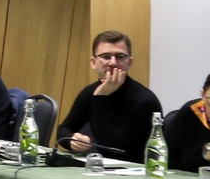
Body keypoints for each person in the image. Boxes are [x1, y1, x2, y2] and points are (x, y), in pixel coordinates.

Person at [55, 31, 163, 161]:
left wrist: (101, 97)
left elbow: (111, 148)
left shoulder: (143, 100)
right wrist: (72, 140)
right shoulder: (90, 92)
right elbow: (63, 130)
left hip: (133, 168)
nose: (113, 63)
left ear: (129, 63)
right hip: (102, 166)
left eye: (120, 57)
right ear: (93, 63)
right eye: (106, 56)